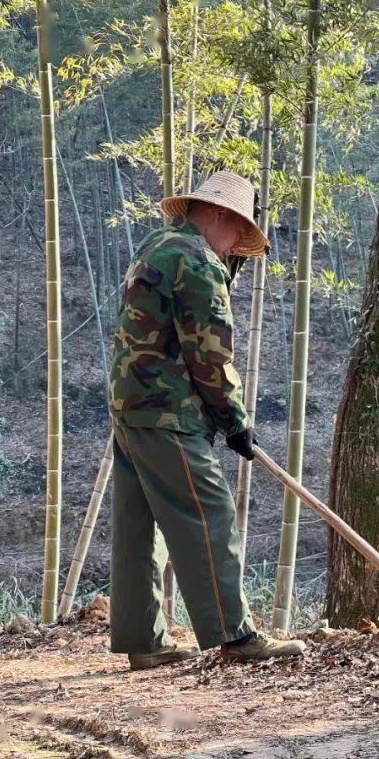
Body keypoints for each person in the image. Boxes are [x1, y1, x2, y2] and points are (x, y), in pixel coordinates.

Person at [108, 170, 304, 669]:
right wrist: (234, 421)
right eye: (240, 230)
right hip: (168, 410)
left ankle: (144, 641)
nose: (238, 243)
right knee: (210, 510)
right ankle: (235, 636)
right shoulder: (197, 262)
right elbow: (210, 355)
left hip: (130, 407)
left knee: (138, 524)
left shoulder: (158, 245)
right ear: (220, 214)